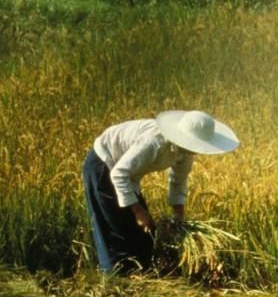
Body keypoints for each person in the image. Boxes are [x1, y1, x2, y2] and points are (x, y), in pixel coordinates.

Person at [83, 110, 239, 273]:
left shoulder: (186, 150)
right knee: (114, 229)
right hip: (103, 164)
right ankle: (113, 282)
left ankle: (139, 275)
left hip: (127, 174)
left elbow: (179, 181)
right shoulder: (154, 143)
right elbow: (118, 173)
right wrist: (138, 212)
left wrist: (178, 217)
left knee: (145, 233)